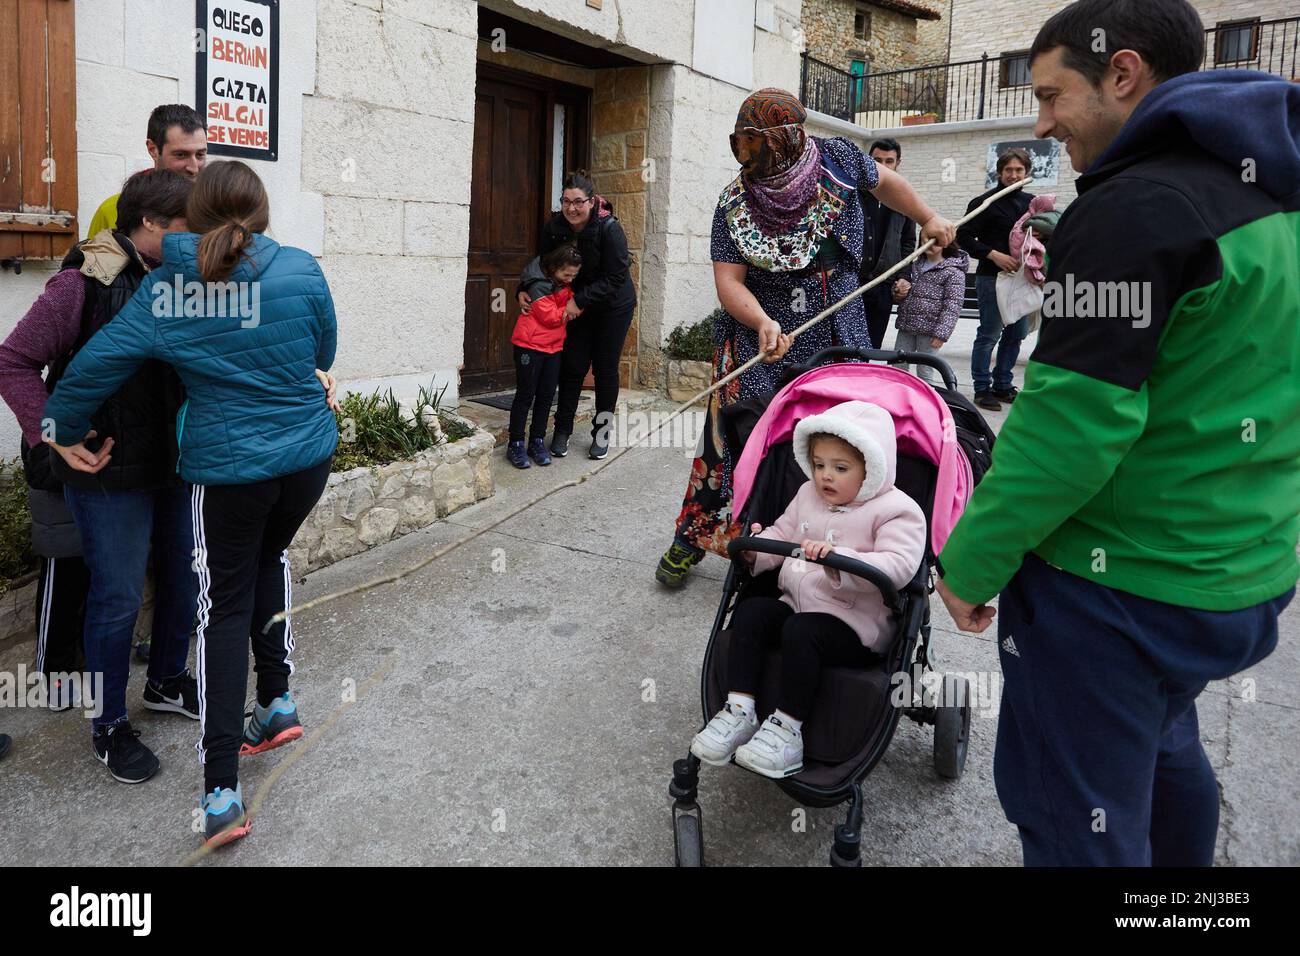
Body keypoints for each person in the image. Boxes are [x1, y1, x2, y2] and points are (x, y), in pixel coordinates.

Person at [935, 0, 1300, 867]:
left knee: (1075, 818)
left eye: (1055, 95)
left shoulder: (1135, 207)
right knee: (1168, 752)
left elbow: (1067, 433)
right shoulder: (1274, 192)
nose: (1042, 120)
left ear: (1123, 72)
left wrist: (969, 563)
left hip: (1119, 594)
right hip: (1244, 572)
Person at [44, 160, 340, 847]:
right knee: (272, 557)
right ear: (260, 212)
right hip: (307, 458)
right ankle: (278, 699)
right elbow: (324, 350)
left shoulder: (169, 291)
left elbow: (91, 367)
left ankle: (219, 792)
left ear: (193, 214)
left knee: (223, 610)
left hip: (232, 470)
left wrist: (59, 433)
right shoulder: (301, 267)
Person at [655, 88, 955, 588]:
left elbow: (887, 185)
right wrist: (761, 323)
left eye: (760, 148)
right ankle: (703, 535)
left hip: (839, 329)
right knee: (740, 437)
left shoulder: (837, 158)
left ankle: (824, 542)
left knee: (832, 440)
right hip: (764, 337)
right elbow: (729, 282)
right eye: (743, 147)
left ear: (791, 138)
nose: (751, 160)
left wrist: (927, 217)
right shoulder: (734, 203)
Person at [0, 169, 197, 783]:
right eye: (189, 230)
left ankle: (165, 681)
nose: (201, 241)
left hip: (178, 461)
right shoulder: (81, 281)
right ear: (150, 226)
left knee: (183, 577)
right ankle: (108, 723)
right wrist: (53, 436)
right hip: (108, 472)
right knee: (114, 598)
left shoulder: (189, 277)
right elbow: (12, 361)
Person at [690, 401, 926, 777]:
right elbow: (782, 534)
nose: (825, 477)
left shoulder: (898, 511)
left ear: (872, 468)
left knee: (803, 630)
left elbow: (898, 566)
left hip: (855, 623)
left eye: (841, 468)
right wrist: (755, 551)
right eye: (819, 465)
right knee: (752, 612)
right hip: (797, 605)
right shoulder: (807, 496)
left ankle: (787, 731)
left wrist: (840, 559)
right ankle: (739, 711)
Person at [517, 172, 635, 462]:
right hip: (574, 307)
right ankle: (562, 430)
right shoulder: (555, 227)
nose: (572, 208)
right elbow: (542, 265)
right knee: (572, 367)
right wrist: (523, 288)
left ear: (591, 202)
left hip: (612, 307)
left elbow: (617, 276)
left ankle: (602, 432)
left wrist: (578, 300)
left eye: (578, 202)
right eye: (566, 201)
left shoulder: (609, 229)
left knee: (605, 369)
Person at [956, 148, 1035, 411]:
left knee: (1017, 333)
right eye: (1008, 170)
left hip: (1022, 280)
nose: (1013, 175)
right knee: (990, 333)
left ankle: (1003, 384)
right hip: (992, 277)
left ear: (1027, 172)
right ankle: (982, 387)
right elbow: (963, 236)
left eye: (1019, 170)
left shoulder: (1033, 203)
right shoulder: (984, 202)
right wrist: (994, 255)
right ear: (1000, 172)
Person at [507, 244, 583, 469]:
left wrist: (573, 306)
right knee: (525, 396)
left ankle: (537, 441)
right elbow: (550, 317)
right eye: (566, 274)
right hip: (529, 347)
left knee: (547, 396)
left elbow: (571, 307)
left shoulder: (560, 284)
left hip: (553, 348)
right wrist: (572, 309)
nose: (570, 279)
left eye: (573, 276)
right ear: (553, 268)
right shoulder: (538, 285)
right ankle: (516, 443)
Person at [86, 104, 207, 238]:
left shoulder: (217, 208)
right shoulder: (111, 210)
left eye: (200, 155)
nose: (194, 168)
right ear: (153, 149)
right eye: (181, 155)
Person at [859, 138, 918, 351]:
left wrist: (904, 276)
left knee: (872, 345)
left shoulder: (905, 198)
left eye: (889, 161)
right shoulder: (854, 194)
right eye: (877, 160)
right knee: (844, 345)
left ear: (897, 164)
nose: (882, 167)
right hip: (852, 283)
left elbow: (908, 242)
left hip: (884, 284)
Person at [892, 242, 969, 385]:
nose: (929, 244)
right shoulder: (915, 266)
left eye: (935, 241)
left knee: (925, 368)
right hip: (907, 324)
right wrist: (898, 292)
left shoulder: (953, 272)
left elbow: (953, 305)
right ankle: (899, 394)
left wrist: (941, 333)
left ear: (946, 242)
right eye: (925, 240)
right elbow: (903, 291)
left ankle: (927, 399)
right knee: (898, 364)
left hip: (930, 330)